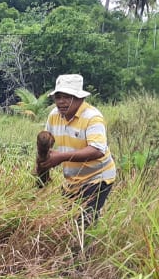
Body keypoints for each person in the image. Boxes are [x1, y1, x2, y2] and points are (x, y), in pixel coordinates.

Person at [37, 74, 117, 228]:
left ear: (79, 98)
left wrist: (61, 157)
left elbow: (97, 150)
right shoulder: (54, 115)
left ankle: (84, 251)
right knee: (66, 221)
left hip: (97, 177)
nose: (61, 102)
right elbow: (47, 141)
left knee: (83, 222)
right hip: (72, 181)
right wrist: (42, 168)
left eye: (67, 97)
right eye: (58, 97)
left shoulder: (92, 117)